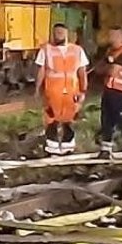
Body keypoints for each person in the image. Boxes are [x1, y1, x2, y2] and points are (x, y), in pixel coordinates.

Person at [35, 23, 89, 155]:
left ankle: (68, 147)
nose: (58, 35)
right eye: (56, 32)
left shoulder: (77, 50)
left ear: (66, 34)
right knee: (51, 118)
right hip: (52, 92)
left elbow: (82, 72)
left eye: (61, 32)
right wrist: (37, 89)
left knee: (69, 119)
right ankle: (52, 148)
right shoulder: (45, 50)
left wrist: (83, 90)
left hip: (71, 92)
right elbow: (41, 71)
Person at [98, 27, 122, 160]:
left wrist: (107, 66)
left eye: (114, 36)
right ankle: (106, 149)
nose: (111, 39)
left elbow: (112, 71)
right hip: (109, 90)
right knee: (106, 120)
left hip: (121, 92)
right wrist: (107, 66)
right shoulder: (111, 52)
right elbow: (99, 68)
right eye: (110, 36)